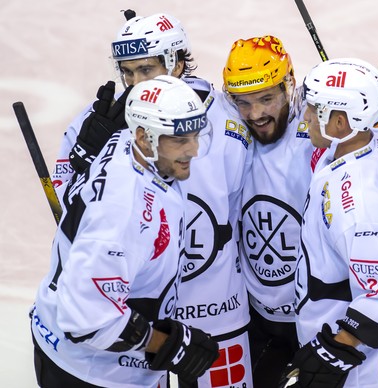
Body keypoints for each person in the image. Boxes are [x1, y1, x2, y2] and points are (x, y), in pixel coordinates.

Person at [51, 10, 254, 387]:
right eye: (126, 72)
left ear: (176, 62)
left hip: (216, 309)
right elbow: (71, 207)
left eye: (145, 70)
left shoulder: (229, 115)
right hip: (137, 321)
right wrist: (84, 156)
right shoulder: (100, 121)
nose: (133, 83)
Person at [31, 76, 219, 387]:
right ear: (145, 137)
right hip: (91, 373)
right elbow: (86, 322)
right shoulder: (123, 214)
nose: (194, 150)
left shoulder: (123, 141)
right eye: (181, 140)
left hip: (75, 353)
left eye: (196, 134)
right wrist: (168, 345)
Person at [282, 58, 378, 387]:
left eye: (315, 108)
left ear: (342, 122)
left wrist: (334, 351)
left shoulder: (359, 203)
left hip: (366, 371)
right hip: (377, 359)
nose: (305, 117)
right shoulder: (369, 143)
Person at [222, 35, 313, 386]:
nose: (256, 115)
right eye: (243, 102)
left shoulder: (318, 123)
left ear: (289, 86)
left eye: (266, 99)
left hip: (321, 320)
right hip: (258, 320)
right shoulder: (228, 135)